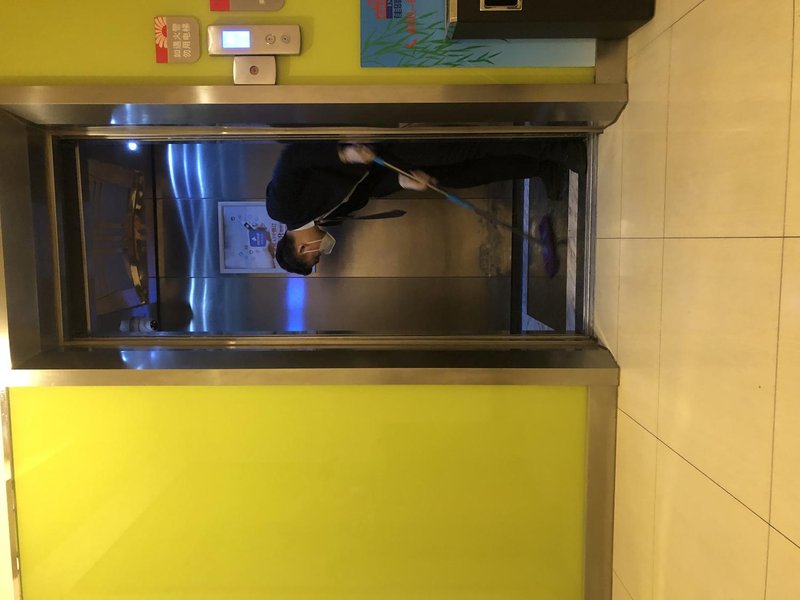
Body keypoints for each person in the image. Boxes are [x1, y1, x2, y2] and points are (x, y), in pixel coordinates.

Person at [266, 139, 586, 275]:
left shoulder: (282, 208)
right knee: (465, 175)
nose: (322, 251)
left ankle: (556, 147)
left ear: (302, 248)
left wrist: (343, 154)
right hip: (387, 166)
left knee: (467, 149)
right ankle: (539, 166)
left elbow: (291, 158)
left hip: (376, 145)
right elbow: (368, 189)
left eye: (316, 255)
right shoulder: (328, 219)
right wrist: (403, 182)